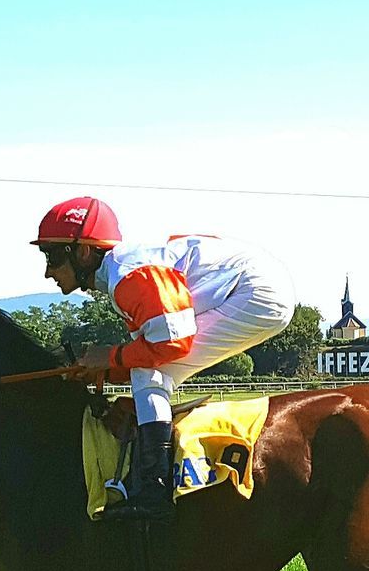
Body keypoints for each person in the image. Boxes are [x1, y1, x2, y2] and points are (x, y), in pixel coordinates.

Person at [31, 196, 296, 519]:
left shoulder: (127, 276)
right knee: (148, 366)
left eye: (53, 256)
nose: (48, 271)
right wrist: (104, 371)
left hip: (257, 291)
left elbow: (170, 346)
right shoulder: (124, 272)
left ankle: (153, 491)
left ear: (84, 251)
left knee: (149, 372)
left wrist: (109, 358)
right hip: (256, 285)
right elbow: (153, 348)